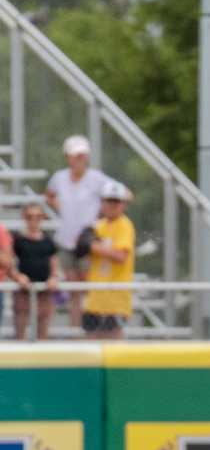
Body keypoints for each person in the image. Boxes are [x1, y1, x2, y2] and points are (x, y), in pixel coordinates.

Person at [44, 135, 111, 310]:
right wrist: (62, 209)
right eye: (75, 155)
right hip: (66, 240)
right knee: (73, 288)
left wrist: (101, 217)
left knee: (86, 286)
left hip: (88, 241)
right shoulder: (59, 177)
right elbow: (49, 196)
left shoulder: (97, 178)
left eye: (82, 155)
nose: (79, 159)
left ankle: (89, 326)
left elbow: (120, 195)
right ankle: (77, 331)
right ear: (68, 156)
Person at [81, 181, 135, 341]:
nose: (112, 205)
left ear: (123, 204)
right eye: (108, 200)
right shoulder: (97, 226)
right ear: (102, 202)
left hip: (116, 300)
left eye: (116, 201)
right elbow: (81, 251)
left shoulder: (124, 225)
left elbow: (121, 256)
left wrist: (93, 246)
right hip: (95, 298)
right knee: (91, 345)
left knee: (113, 344)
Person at [11, 202, 59, 340]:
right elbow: (11, 263)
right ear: (24, 217)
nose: (34, 220)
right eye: (30, 216)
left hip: (44, 290)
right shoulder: (18, 240)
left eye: (38, 217)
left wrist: (54, 277)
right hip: (24, 290)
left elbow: (54, 264)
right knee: (20, 331)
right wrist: (18, 276)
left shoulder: (48, 241)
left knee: (43, 331)